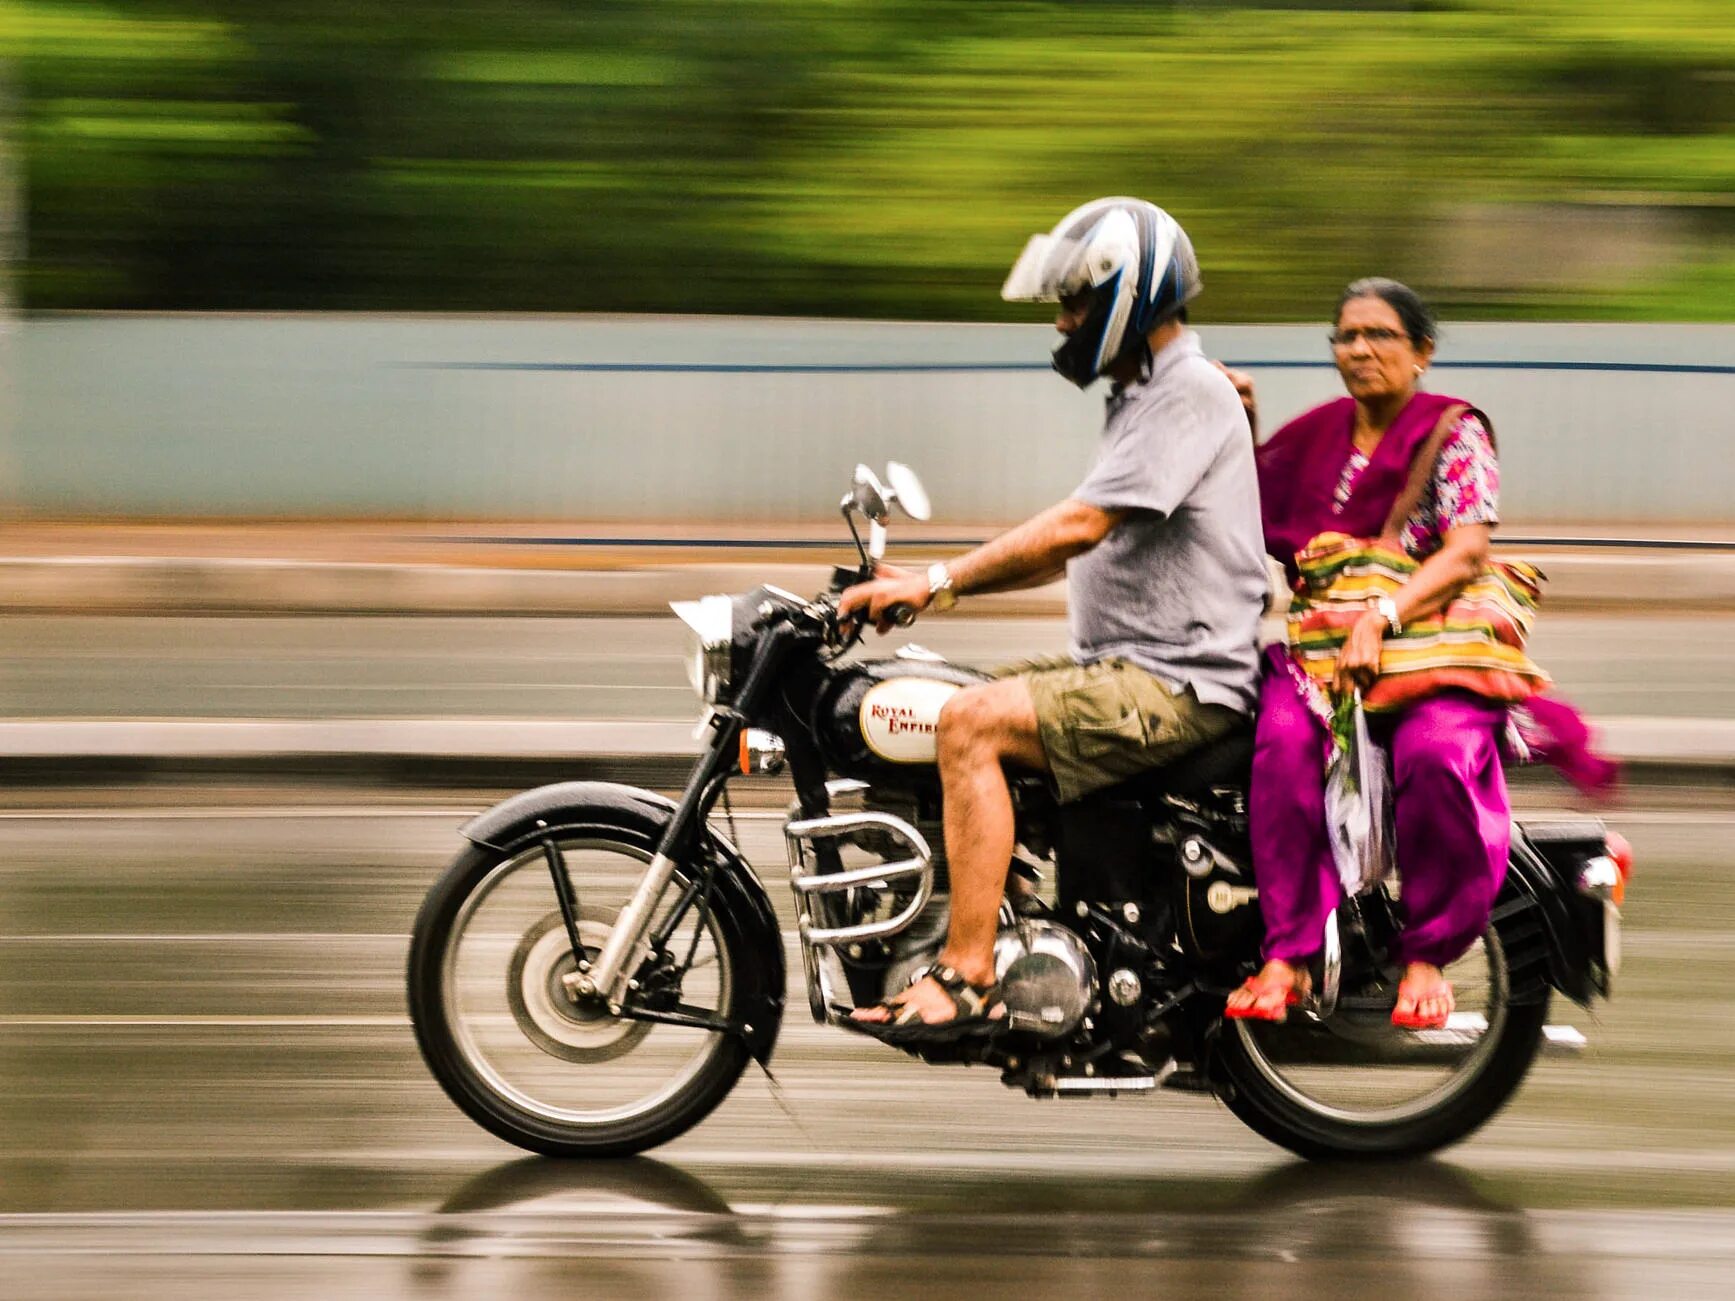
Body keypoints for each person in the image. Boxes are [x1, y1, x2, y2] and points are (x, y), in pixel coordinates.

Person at [839, 197, 1268, 1041]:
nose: (1066, 322)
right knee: (928, 697)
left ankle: (965, 975)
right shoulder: (1145, 395)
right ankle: (1005, 922)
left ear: (1128, 298)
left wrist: (933, 580)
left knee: (968, 724)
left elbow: (1076, 526)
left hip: (1175, 683)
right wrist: (934, 587)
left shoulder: (1184, 391)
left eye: (1077, 303)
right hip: (1126, 668)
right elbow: (1063, 546)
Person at [1224, 277, 1506, 1030]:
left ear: (1421, 353)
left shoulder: (1453, 432)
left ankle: (1426, 951)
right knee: (1280, 746)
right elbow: (1249, 509)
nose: (1358, 349)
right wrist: (1241, 422)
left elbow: (1467, 551)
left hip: (1422, 649)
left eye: (1379, 335)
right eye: (1345, 336)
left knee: (1437, 754)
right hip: (1320, 654)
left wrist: (1380, 615)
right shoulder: (1314, 432)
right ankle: (1286, 949)